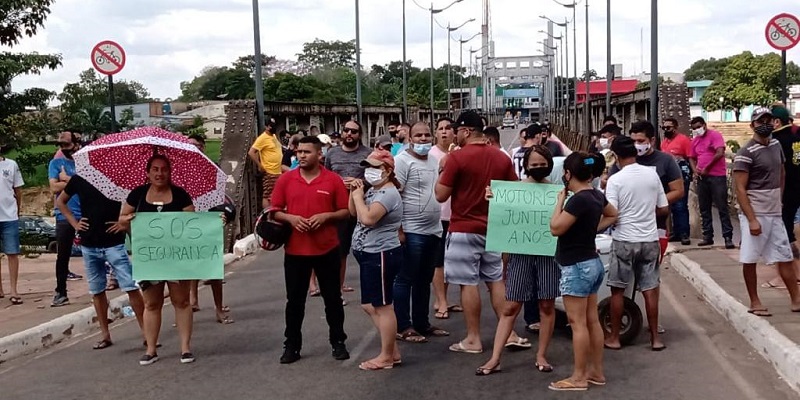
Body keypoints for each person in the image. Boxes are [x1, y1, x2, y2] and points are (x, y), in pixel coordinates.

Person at [434, 110, 520, 354]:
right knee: (495, 280)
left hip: (463, 228)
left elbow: (440, 195)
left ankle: (473, 338)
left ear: (466, 131)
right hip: (492, 228)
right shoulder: (501, 158)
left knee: (467, 283)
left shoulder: (457, 159)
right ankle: (509, 333)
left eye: (457, 131)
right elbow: (513, 193)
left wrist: (442, 168)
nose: (454, 135)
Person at [477, 145, 561, 376]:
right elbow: (501, 218)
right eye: (534, 165)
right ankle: (495, 358)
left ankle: (541, 354)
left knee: (546, 305)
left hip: (548, 255)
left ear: (549, 165)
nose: (538, 168)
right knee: (511, 306)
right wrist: (492, 200)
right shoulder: (512, 191)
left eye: (542, 164)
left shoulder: (558, 192)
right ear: (526, 166)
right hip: (519, 254)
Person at [271, 135, 351, 364]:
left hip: (327, 249)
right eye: (299, 152)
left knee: (333, 300)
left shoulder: (333, 180)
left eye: (307, 152)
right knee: (294, 302)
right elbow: (274, 210)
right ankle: (292, 345)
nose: (302, 155)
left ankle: (338, 341)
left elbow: (345, 212)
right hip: (295, 251)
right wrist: (291, 218)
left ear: (319, 154)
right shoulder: (286, 180)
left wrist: (327, 216)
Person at [548, 152, 618, 391]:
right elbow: (613, 214)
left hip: (576, 266)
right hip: (592, 262)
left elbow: (556, 228)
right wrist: (589, 230)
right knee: (591, 321)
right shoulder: (596, 195)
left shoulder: (577, 200)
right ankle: (596, 371)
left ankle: (578, 377)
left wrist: (559, 201)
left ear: (568, 174)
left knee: (577, 323)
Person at [120, 155, 196, 366]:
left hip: (177, 258)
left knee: (181, 301)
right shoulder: (137, 195)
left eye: (163, 169)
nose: (159, 173)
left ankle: (185, 348)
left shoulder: (181, 195)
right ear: (148, 172)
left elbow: (193, 223)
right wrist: (127, 221)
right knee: (152, 303)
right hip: (150, 259)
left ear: (169, 172)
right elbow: (122, 219)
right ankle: (151, 349)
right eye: (155, 169)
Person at [56, 173, 146, 350]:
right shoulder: (79, 179)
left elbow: (134, 204)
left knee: (130, 287)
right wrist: (75, 224)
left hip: (113, 242)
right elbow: (61, 202)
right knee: (97, 290)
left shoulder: (117, 178)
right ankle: (105, 334)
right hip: (89, 243)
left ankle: (146, 332)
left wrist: (123, 223)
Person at [732, 108, 800, 317]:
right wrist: (752, 219)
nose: (765, 124)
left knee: (785, 256)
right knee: (750, 258)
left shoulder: (776, 145)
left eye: (768, 120)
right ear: (752, 125)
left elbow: (781, 171)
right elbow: (740, 188)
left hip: (774, 211)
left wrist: (778, 199)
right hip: (756, 211)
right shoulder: (746, 153)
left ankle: (796, 299)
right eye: (761, 121)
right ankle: (754, 301)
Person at [603, 136, 669, 351]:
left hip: (624, 239)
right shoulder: (652, 175)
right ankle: (655, 339)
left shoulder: (616, 180)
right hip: (649, 240)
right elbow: (664, 208)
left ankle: (614, 337)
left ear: (616, 155)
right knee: (650, 289)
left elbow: (611, 213)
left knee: (617, 291)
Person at [393, 122, 448, 343]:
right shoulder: (402, 161)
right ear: (410, 137)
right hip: (412, 230)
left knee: (424, 280)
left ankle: (421, 323)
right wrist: (399, 229)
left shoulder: (434, 162)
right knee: (405, 278)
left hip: (434, 229)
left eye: (426, 135)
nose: (423, 139)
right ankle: (403, 326)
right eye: (418, 135)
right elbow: (395, 196)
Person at [349, 149, 403, 370]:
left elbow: (368, 218)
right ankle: (391, 350)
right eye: (367, 168)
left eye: (375, 168)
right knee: (369, 305)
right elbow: (354, 212)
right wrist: (354, 194)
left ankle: (387, 356)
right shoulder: (373, 191)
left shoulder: (388, 194)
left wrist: (358, 197)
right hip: (368, 254)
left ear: (387, 171)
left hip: (380, 253)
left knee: (383, 306)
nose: (369, 172)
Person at [611, 121, 684, 262]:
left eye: (640, 141)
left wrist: (652, 204)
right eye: (633, 141)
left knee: (650, 275)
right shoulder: (622, 161)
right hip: (626, 229)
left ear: (651, 140)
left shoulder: (666, 160)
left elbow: (678, 191)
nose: (636, 145)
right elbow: (612, 184)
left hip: (656, 227)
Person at [186, 135, 234, 324]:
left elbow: (220, 196)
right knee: (188, 266)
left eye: (197, 146)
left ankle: (219, 308)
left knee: (214, 268)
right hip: (188, 221)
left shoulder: (211, 169)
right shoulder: (180, 170)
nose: (193, 149)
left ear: (203, 147)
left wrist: (221, 214)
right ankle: (192, 301)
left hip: (207, 220)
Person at [325, 120, 372, 298]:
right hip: (339, 208)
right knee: (340, 251)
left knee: (366, 250)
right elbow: (326, 176)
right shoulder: (332, 153)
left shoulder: (368, 153)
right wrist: (338, 182)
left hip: (363, 208)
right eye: (346, 130)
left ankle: (370, 291)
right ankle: (338, 290)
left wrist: (360, 182)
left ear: (359, 135)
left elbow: (375, 178)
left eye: (354, 131)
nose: (349, 134)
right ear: (342, 133)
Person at [429, 117, 462, 319]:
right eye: (440, 128)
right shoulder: (431, 155)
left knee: (453, 260)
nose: (444, 132)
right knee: (439, 261)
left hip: (458, 213)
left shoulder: (461, 154)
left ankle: (447, 298)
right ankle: (440, 300)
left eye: (448, 128)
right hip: (438, 213)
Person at [765, 105, 800, 289]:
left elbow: (777, 170)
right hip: (797, 191)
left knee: (782, 235)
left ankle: (786, 276)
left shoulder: (774, 142)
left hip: (783, 193)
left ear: (776, 122)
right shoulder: (797, 137)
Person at [49, 131, 84, 307]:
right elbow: (54, 187)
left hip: (85, 213)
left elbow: (90, 183)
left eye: (67, 145)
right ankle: (60, 292)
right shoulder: (56, 163)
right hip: (64, 215)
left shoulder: (84, 162)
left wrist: (67, 179)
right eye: (61, 146)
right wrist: (73, 182)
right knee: (63, 255)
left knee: (97, 251)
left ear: (77, 144)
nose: (64, 149)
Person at [689, 116, 734, 249]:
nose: (697, 130)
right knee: (704, 207)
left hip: (716, 176)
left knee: (722, 207)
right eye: (694, 128)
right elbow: (691, 157)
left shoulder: (715, 136)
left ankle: (727, 237)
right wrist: (695, 170)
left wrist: (707, 167)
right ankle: (707, 236)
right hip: (702, 178)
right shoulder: (695, 141)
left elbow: (720, 152)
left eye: (698, 126)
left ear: (704, 125)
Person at [660, 117, 693, 245]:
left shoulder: (683, 140)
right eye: (664, 128)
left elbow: (689, 157)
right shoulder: (664, 142)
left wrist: (693, 172)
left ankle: (684, 233)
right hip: (668, 176)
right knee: (671, 206)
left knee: (680, 205)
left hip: (681, 175)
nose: (666, 130)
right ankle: (676, 233)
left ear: (675, 127)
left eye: (669, 127)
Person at [0, 151, 24, 305]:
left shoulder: (11, 164)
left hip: (9, 215)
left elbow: (18, 190)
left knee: (12, 253)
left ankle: (14, 290)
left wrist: (17, 209)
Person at [248, 118, 284, 209]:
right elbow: (252, 152)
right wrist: (260, 165)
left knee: (276, 194)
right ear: (267, 127)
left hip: (278, 171)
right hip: (270, 171)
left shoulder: (274, 136)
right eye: (271, 126)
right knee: (268, 195)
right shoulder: (262, 138)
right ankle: (267, 215)